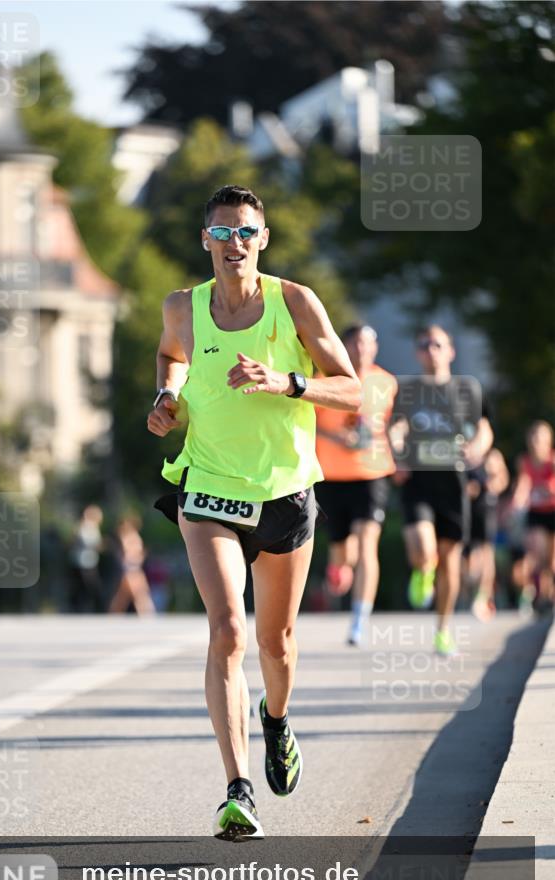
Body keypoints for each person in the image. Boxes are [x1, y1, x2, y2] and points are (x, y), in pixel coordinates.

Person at [148, 185, 360, 841]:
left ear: (261, 238)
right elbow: (171, 357)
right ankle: (237, 790)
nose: (232, 244)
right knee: (227, 632)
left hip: (284, 490)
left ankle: (275, 718)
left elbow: (352, 393)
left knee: (276, 644)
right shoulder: (182, 307)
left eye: (244, 232)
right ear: (204, 241)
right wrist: (167, 396)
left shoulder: (293, 302)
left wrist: (285, 382)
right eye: (220, 233)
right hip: (208, 486)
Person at [390, 325, 493, 655]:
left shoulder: (466, 391)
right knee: (423, 545)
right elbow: (396, 426)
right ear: (418, 352)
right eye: (424, 344)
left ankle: (443, 630)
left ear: (451, 351)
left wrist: (478, 447)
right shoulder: (409, 391)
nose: (430, 349)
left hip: (454, 482)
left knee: (450, 559)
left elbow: (485, 429)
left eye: (437, 344)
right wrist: (397, 453)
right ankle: (423, 569)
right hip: (418, 479)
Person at [314, 324, 398, 645]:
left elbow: (393, 424)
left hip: (373, 474)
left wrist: (399, 446)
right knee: (341, 551)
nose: (361, 348)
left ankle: (360, 619)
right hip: (333, 476)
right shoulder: (326, 381)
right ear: (344, 346)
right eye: (355, 342)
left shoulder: (386, 383)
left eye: (367, 342)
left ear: (374, 347)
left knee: (367, 546)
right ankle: (339, 566)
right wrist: (337, 437)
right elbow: (308, 426)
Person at [510, 420, 555, 612]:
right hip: (536, 512)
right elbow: (523, 483)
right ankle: (539, 595)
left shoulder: (552, 461)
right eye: (533, 437)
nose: (536, 442)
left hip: (553, 511)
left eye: (540, 437)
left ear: (548, 440)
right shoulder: (525, 461)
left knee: (551, 560)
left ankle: (548, 594)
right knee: (538, 550)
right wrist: (517, 501)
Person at [463, 447, 509, 621]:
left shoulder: (492, 455)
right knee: (469, 563)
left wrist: (492, 483)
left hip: (487, 511)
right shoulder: (464, 453)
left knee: (487, 554)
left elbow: (502, 479)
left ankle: (482, 598)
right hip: (467, 513)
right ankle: (470, 594)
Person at [108, 515, 156, 615]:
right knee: (138, 593)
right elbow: (130, 552)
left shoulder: (130, 536)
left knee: (127, 594)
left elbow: (130, 551)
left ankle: (115, 614)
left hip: (133, 566)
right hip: (131, 567)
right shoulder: (130, 537)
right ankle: (147, 613)